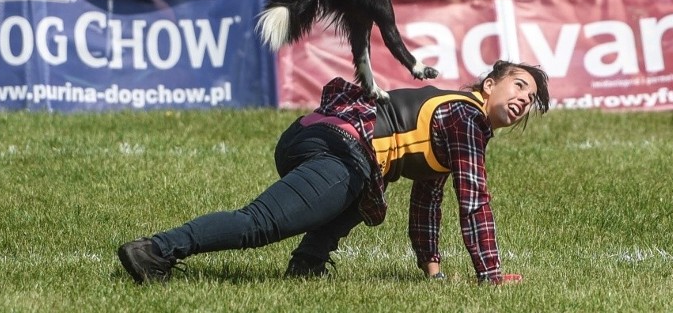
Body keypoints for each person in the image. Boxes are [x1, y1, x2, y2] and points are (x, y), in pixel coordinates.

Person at [117, 60, 550, 285]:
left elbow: (428, 199)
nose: (523, 100)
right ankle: (156, 251)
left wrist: (431, 267)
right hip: (340, 147)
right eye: (519, 86)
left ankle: (308, 265)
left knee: (369, 194)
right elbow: (474, 203)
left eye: (530, 99)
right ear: (489, 84)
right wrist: (490, 275)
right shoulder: (465, 117)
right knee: (259, 224)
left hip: (317, 137)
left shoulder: (454, 116)